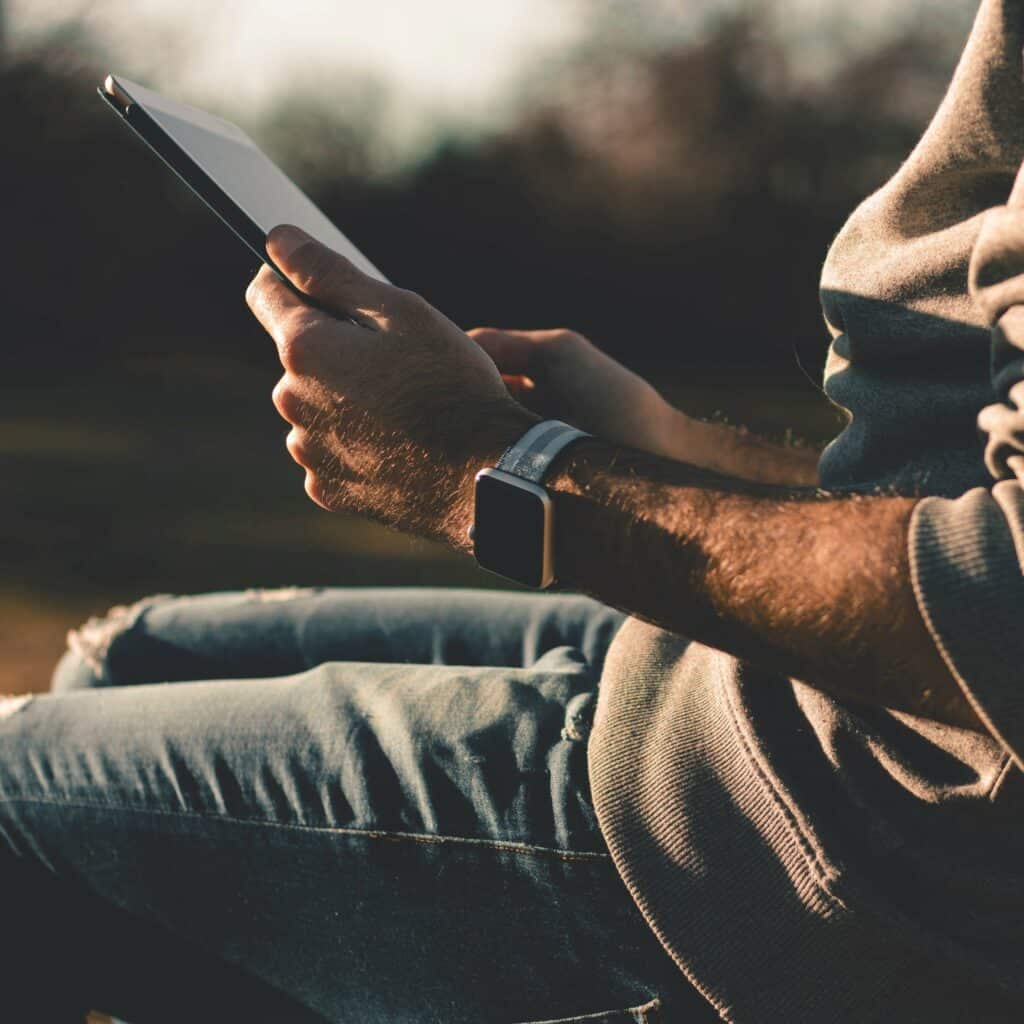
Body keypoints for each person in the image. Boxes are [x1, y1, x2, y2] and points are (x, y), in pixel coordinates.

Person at [4, 0, 1024, 1020]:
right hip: (782, 685)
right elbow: (975, 497)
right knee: (123, 658)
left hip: (840, 834)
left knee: (17, 794)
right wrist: (677, 450)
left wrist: (492, 467)